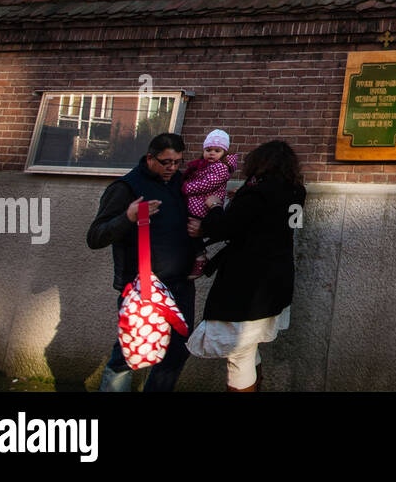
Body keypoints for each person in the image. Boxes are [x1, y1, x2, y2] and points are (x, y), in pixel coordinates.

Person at [186, 139, 306, 392]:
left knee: (238, 352)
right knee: (248, 346)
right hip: (278, 279)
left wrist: (215, 207)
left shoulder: (258, 193)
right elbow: (285, 225)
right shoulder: (297, 191)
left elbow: (227, 227)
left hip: (247, 284)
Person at [87, 132, 197, 392]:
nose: (172, 168)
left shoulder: (181, 183)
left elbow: (187, 224)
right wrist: (128, 216)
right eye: (165, 162)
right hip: (141, 289)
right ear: (150, 158)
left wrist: (200, 238)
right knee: (129, 353)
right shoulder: (126, 187)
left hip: (180, 284)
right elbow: (95, 237)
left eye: (177, 162)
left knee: (177, 351)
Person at [181, 129, 240, 279]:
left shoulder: (221, 168)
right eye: (208, 150)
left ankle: (200, 257)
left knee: (193, 229)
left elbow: (207, 184)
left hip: (204, 205)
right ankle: (197, 256)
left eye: (217, 150)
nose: (211, 153)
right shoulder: (204, 165)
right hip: (197, 202)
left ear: (224, 153)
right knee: (189, 230)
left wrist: (186, 187)